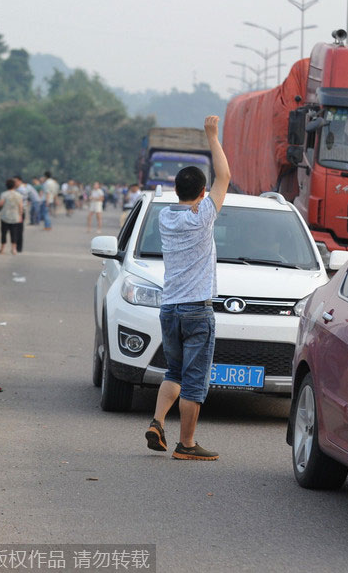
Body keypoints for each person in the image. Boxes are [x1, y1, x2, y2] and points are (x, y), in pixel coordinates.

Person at [145, 115, 230, 461]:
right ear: (202, 193)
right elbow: (224, 176)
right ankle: (187, 445)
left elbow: (208, 187)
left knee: (174, 372)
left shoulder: (166, 217)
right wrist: (212, 135)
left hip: (169, 308)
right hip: (197, 310)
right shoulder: (203, 215)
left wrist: (195, 199)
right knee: (195, 381)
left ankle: (157, 421)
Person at [0, 178, 23, 255]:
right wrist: (20, 216)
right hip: (15, 217)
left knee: (4, 233)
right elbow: (20, 206)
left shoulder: (4, 194)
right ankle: (14, 249)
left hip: (5, 216)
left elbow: (1, 204)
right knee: (14, 233)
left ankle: (2, 249)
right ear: (14, 186)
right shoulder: (18, 195)